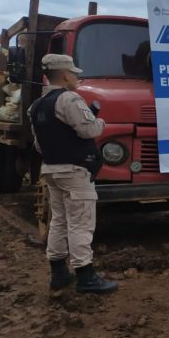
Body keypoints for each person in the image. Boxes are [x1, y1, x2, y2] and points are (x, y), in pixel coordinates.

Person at [28, 54, 118, 294]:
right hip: (75, 170)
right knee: (81, 222)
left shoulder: (36, 105)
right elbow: (88, 130)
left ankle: (58, 272)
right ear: (65, 75)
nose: (77, 77)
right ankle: (86, 276)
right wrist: (101, 121)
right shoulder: (69, 99)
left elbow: (38, 144)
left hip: (50, 169)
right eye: (75, 74)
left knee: (59, 220)